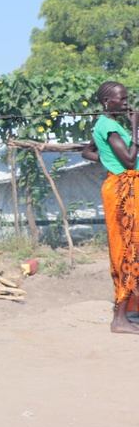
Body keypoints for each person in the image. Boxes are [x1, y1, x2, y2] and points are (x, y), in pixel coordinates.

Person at [84, 80, 139, 334]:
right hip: (122, 192)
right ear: (108, 101)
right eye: (123, 99)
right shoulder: (108, 126)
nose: (127, 103)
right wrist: (136, 127)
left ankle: (128, 311)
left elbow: (88, 152)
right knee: (127, 251)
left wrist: (108, 160)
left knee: (132, 249)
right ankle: (119, 319)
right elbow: (128, 161)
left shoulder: (107, 125)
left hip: (125, 189)